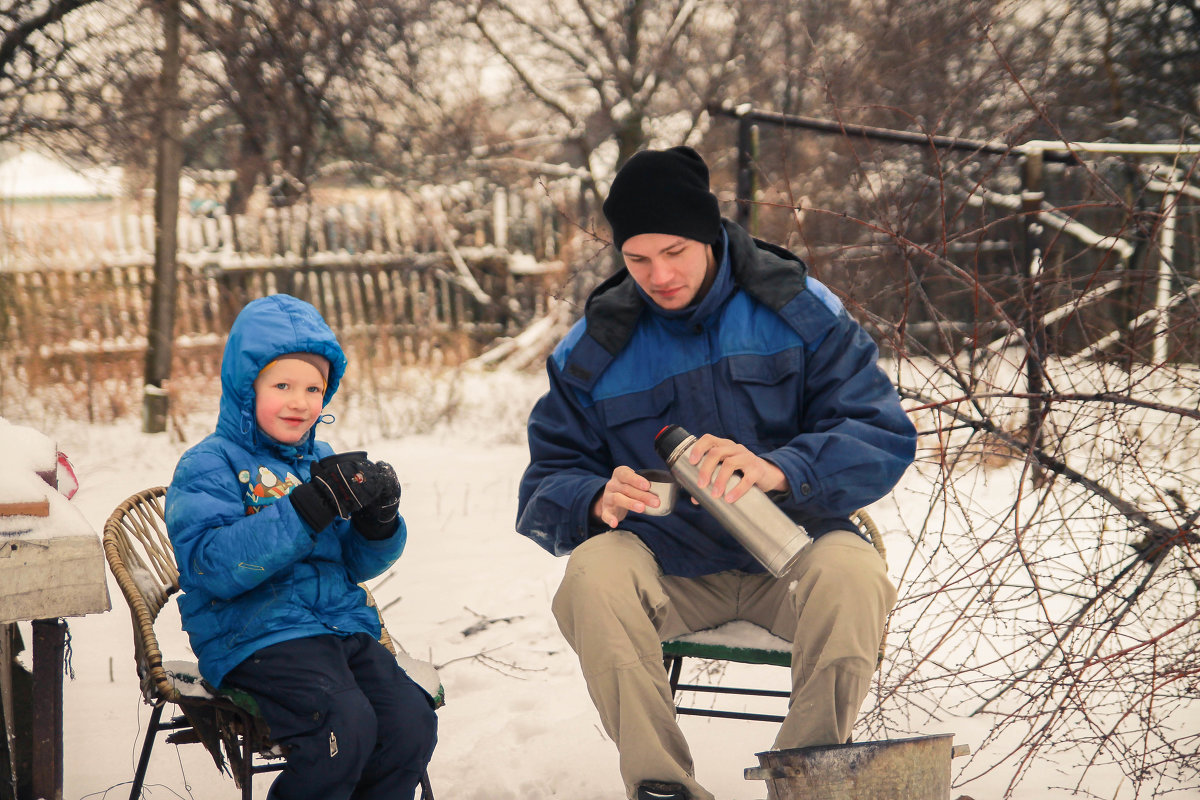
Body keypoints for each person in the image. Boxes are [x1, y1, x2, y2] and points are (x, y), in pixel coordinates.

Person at [516, 146, 917, 800]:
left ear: (708, 234)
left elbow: (882, 434)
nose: (659, 275)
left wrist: (784, 469)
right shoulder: (593, 347)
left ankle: (807, 779)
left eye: (675, 251)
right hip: (669, 565)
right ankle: (662, 788)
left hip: (794, 551)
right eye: (638, 258)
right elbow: (544, 483)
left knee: (854, 575)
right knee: (590, 577)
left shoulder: (798, 307)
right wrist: (592, 496)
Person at [165, 294, 437, 800]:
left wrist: (378, 524)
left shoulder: (323, 460)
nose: (300, 401)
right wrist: (305, 510)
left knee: (410, 724)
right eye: (282, 385)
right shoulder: (208, 464)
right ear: (246, 389)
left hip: (338, 627)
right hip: (253, 635)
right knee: (345, 726)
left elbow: (352, 564)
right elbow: (210, 565)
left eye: (314, 387)